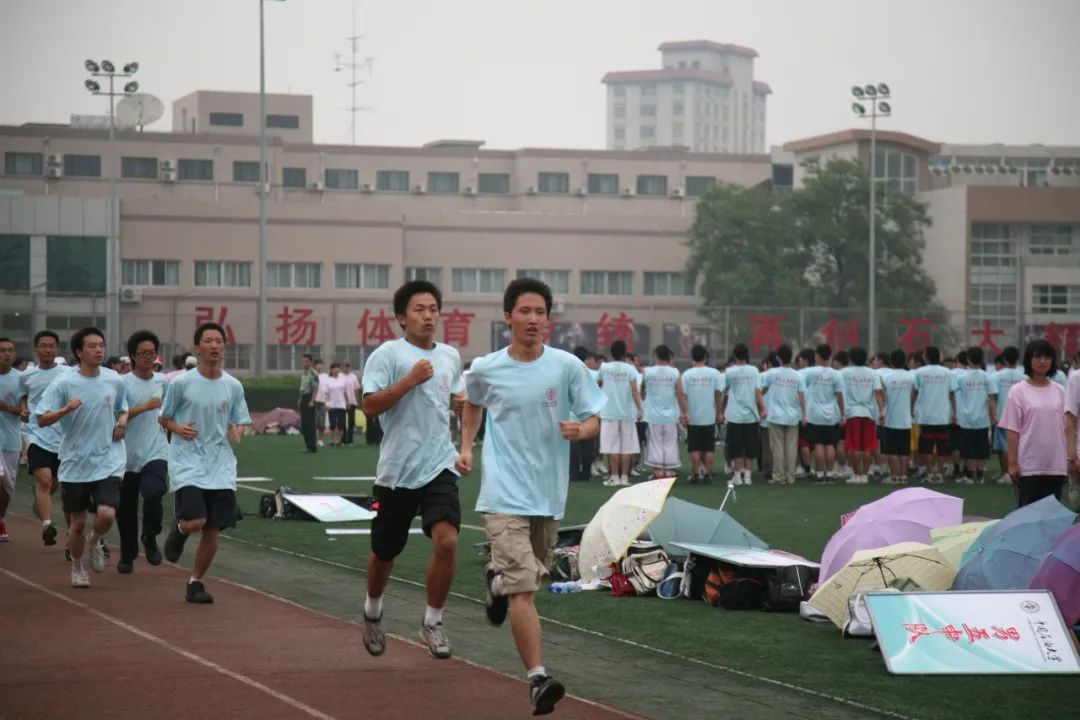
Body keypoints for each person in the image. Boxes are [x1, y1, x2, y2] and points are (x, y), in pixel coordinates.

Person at [457, 278, 605, 716]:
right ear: (508, 317)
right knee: (524, 589)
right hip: (503, 494)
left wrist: (581, 430)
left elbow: (594, 417)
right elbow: (472, 402)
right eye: (525, 311)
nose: (534, 319)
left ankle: (496, 581)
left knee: (529, 582)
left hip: (548, 495)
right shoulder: (487, 367)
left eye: (540, 312)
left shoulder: (566, 366)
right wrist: (467, 447)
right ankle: (538, 678)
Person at [359, 280, 465, 660]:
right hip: (397, 470)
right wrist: (409, 381)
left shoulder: (450, 356)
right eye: (419, 309)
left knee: (447, 540)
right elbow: (370, 406)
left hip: (439, 463)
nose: (428, 316)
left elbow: (458, 400)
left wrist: (461, 415)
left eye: (433, 309)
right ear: (402, 317)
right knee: (384, 553)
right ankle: (373, 611)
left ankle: (432, 621)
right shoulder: (388, 354)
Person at [161, 322, 251, 603]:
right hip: (187, 461)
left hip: (221, 464)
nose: (214, 346)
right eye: (208, 341)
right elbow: (164, 417)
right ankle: (179, 530)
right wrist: (177, 428)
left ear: (224, 347)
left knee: (213, 527)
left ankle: (195, 582)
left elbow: (240, 419)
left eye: (218, 341)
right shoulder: (181, 383)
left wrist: (238, 430)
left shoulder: (233, 386)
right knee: (196, 521)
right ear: (197, 348)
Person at [37, 327, 127, 588]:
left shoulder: (114, 380)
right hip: (75, 462)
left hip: (108, 459)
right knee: (77, 524)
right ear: (79, 352)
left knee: (107, 513)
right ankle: (77, 568)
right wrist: (65, 409)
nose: (99, 350)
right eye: (92, 346)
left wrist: (122, 422)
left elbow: (123, 408)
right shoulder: (64, 383)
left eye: (101, 345)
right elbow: (42, 418)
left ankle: (96, 540)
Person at [117, 330, 169, 573]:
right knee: (126, 508)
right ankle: (127, 555)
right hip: (125, 455)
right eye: (143, 353)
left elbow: (171, 411)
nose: (148, 357)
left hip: (156, 450)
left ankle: (150, 535)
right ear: (133, 356)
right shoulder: (122, 383)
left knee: (154, 491)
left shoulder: (163, 382)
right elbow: (118, 415)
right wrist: (145, 407)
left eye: (152, 353)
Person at [999, 340, 1067, 507]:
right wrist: (1012, 463)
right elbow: (1012, 430)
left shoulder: (1060, 391)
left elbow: (1068, 427)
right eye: (1037, 357)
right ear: (1029, 360)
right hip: (1028, 464)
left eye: (1046, 357)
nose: (1042, 361)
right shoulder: (1018, 391)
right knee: (1028, 513)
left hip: (1055, 464)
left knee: (1052, 514)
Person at [19, 330, 70, 547]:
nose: (47, 350)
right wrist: (23, 409)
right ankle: (47, 525)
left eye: (51, 346)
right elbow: (23, 395)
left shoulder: (67, 373)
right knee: (45, 480)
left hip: (62, 435)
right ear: (36, 349)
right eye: (43, 346)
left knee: (54, 484)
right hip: (35, 433)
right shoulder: (27, 375)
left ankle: (40, 501)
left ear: (57, 349)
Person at [597, 340, 643, 487]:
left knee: (612, 448)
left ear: (611, 352)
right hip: (627, 414)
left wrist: (596, 406)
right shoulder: (630, 369)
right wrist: (640, 409)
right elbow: (635, 391)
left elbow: (597, 386)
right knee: (627, 448)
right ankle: (624, 478)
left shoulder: (604, 368)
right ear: (624, 353)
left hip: (609, 413)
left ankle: (614, 477)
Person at [759, 345, 805, 485]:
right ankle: (790, 476)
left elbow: (761, 390)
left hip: (776, 416)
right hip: (793, 416)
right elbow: (801, 397)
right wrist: (804, 415)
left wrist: (761, 404)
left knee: (777, 447)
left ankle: (779, 476)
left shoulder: (771, 373)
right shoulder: (798, 375)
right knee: (791, 447)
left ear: (778, 358)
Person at [800, 344, 845, 482]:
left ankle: (820, 474)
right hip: (831, 414)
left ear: (818, 355)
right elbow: (840, 396)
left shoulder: (809, 372)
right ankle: (829, 473)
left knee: (818, 444)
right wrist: (843, 414)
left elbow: (800, 386)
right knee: (830, 444)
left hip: (815, 414)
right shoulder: (836, 374)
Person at [839, 347, 884, 485]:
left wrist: (841, 413)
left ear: (851, 359)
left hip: (852, 413)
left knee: (854, 447)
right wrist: (882, 411)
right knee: (867, 447)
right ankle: (864, 475)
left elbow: (839, 393)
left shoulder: (844, 372)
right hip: (868, 413)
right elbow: (878, 394)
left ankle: (857, 475)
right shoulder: (873, 373)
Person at [912, 346, 957, 484]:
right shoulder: (947, 372)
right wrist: (955, 412)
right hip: (943, 415)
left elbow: (914, 392)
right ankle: (940, 475)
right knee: (942, 447)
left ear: (926, 357)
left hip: (926, 415)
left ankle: (931, 473)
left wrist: (910, 407)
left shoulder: (920, 372)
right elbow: (952, 394)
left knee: (927, 448)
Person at [681, 344, 725, 484]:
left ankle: (696, 474)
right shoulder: (714, 373)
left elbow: (684, 397)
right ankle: (707, 474)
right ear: (706, 357)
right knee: (709, 448)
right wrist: (719, 412)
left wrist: (684, 413)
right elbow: (718, 395)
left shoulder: (687, 374)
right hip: (709, 416)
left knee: (694, 447)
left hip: (693, 417)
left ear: (692, 357)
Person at [640, 345, 686, 479]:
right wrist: (685, 412)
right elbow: (680, 394)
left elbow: (642, 390)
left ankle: (658, 472)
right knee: (670, 443)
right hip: (671, 415)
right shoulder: (675, 372)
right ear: (669, 357)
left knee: (655, 443)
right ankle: (669, 472)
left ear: (656, 356)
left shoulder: (647, 372)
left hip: (653, 415)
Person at [954, 346, 997, 485]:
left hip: (966, 418)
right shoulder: (988, 377)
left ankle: (969, 475)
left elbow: (957, 396)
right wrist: (993, 416)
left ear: (968, 359)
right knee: (981, 449)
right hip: (983, 418)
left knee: (968, 449)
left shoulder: (961, 378)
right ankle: (980, 475)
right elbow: (991, 399)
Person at [723, 343, 764, 486]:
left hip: (734, 415)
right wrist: (763, 408)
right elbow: (758, 392)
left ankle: (737, 477)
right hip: (751, 415)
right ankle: (747, 477)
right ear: (747, 355)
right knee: (749, 447)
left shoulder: (729, 372)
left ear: (735, 356)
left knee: (736, 447)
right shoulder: (754, 371)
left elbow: (724, 389)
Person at [990, 346, 1026, 485]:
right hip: (1020, 416)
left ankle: (1007, 473)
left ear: (1004, 359)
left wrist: (993, 415)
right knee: (1017, 446)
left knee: (1003, 447)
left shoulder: (996, 376)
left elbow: (992, 398)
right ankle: (1009, 472)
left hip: (1002, 415)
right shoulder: (1023, 377)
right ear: (1017, 359)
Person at [0, 337, 24, 541]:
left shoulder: (21, 379)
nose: (6, 354)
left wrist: (8, 408)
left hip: (10, 439)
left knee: (7, 487)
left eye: (10, 350)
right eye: (2, 350)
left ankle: (0, 519)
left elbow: (26, 411)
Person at [881, 349, 915, 484]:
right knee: (904, 450)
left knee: (891, 450)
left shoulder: (886, 377)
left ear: (891, 361)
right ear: (904, 361)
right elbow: (913, 394)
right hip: (906, 418)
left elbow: (883, 397)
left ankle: (894, 476)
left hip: (891, 417)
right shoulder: (911, 377)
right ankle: (903, 476)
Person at [568, 346, 599, 482]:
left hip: (572, 411)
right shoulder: (592, 373)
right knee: (588, 444)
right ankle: (586, 473)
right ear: (586, 357)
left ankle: (574, 474)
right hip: (588, 410)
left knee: (574, 444)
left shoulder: (568, 371)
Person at [298, 353, 319, 453]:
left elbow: (315, 388)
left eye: (306, 361)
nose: (304, 363)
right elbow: (303, 388)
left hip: (310, 398)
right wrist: (300, 399)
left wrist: (312, 400)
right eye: (303, 361)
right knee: (304, 424)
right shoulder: (304, 374)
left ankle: (312, 446)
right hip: (304, 398)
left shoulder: (313, 373)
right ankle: (307, 446)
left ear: (310, 362)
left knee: (310, 424)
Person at [324, 363, 348, 447]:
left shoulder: (343, 380)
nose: (336, 369)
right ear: (331, 370)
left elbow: (345, 393)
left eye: (338, 367)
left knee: (341, 424)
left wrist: (347, 402)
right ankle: (332, 439)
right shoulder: (328, 380)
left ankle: (339, 440)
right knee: (333, 424)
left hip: (341, 405)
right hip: (332, 405)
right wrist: (326, 403)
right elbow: (326, 393)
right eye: (334, 368)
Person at [342, 361, 360, 445]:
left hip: (352, 401)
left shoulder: (353, 377)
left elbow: (356, 389)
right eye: (345, 366)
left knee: (351, 421)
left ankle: (350, 440)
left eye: (348, 366)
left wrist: (357, 400)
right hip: (342, 402)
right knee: (342, 421)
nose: (347, 368)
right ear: (343, 367)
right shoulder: (340, 376)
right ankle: (343, 439)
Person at [314, 359, 329, 447]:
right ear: (315, 366)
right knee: (314, 421)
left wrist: (327, 401)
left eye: (320, 364)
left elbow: (328, 389)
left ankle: (320, 440)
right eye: (317, 364)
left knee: (322, 422)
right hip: (314, 401)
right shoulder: (312, 375)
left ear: (323, 366)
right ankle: (313, 439)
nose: (319, 366)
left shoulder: (326, 376)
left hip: (323, 401)